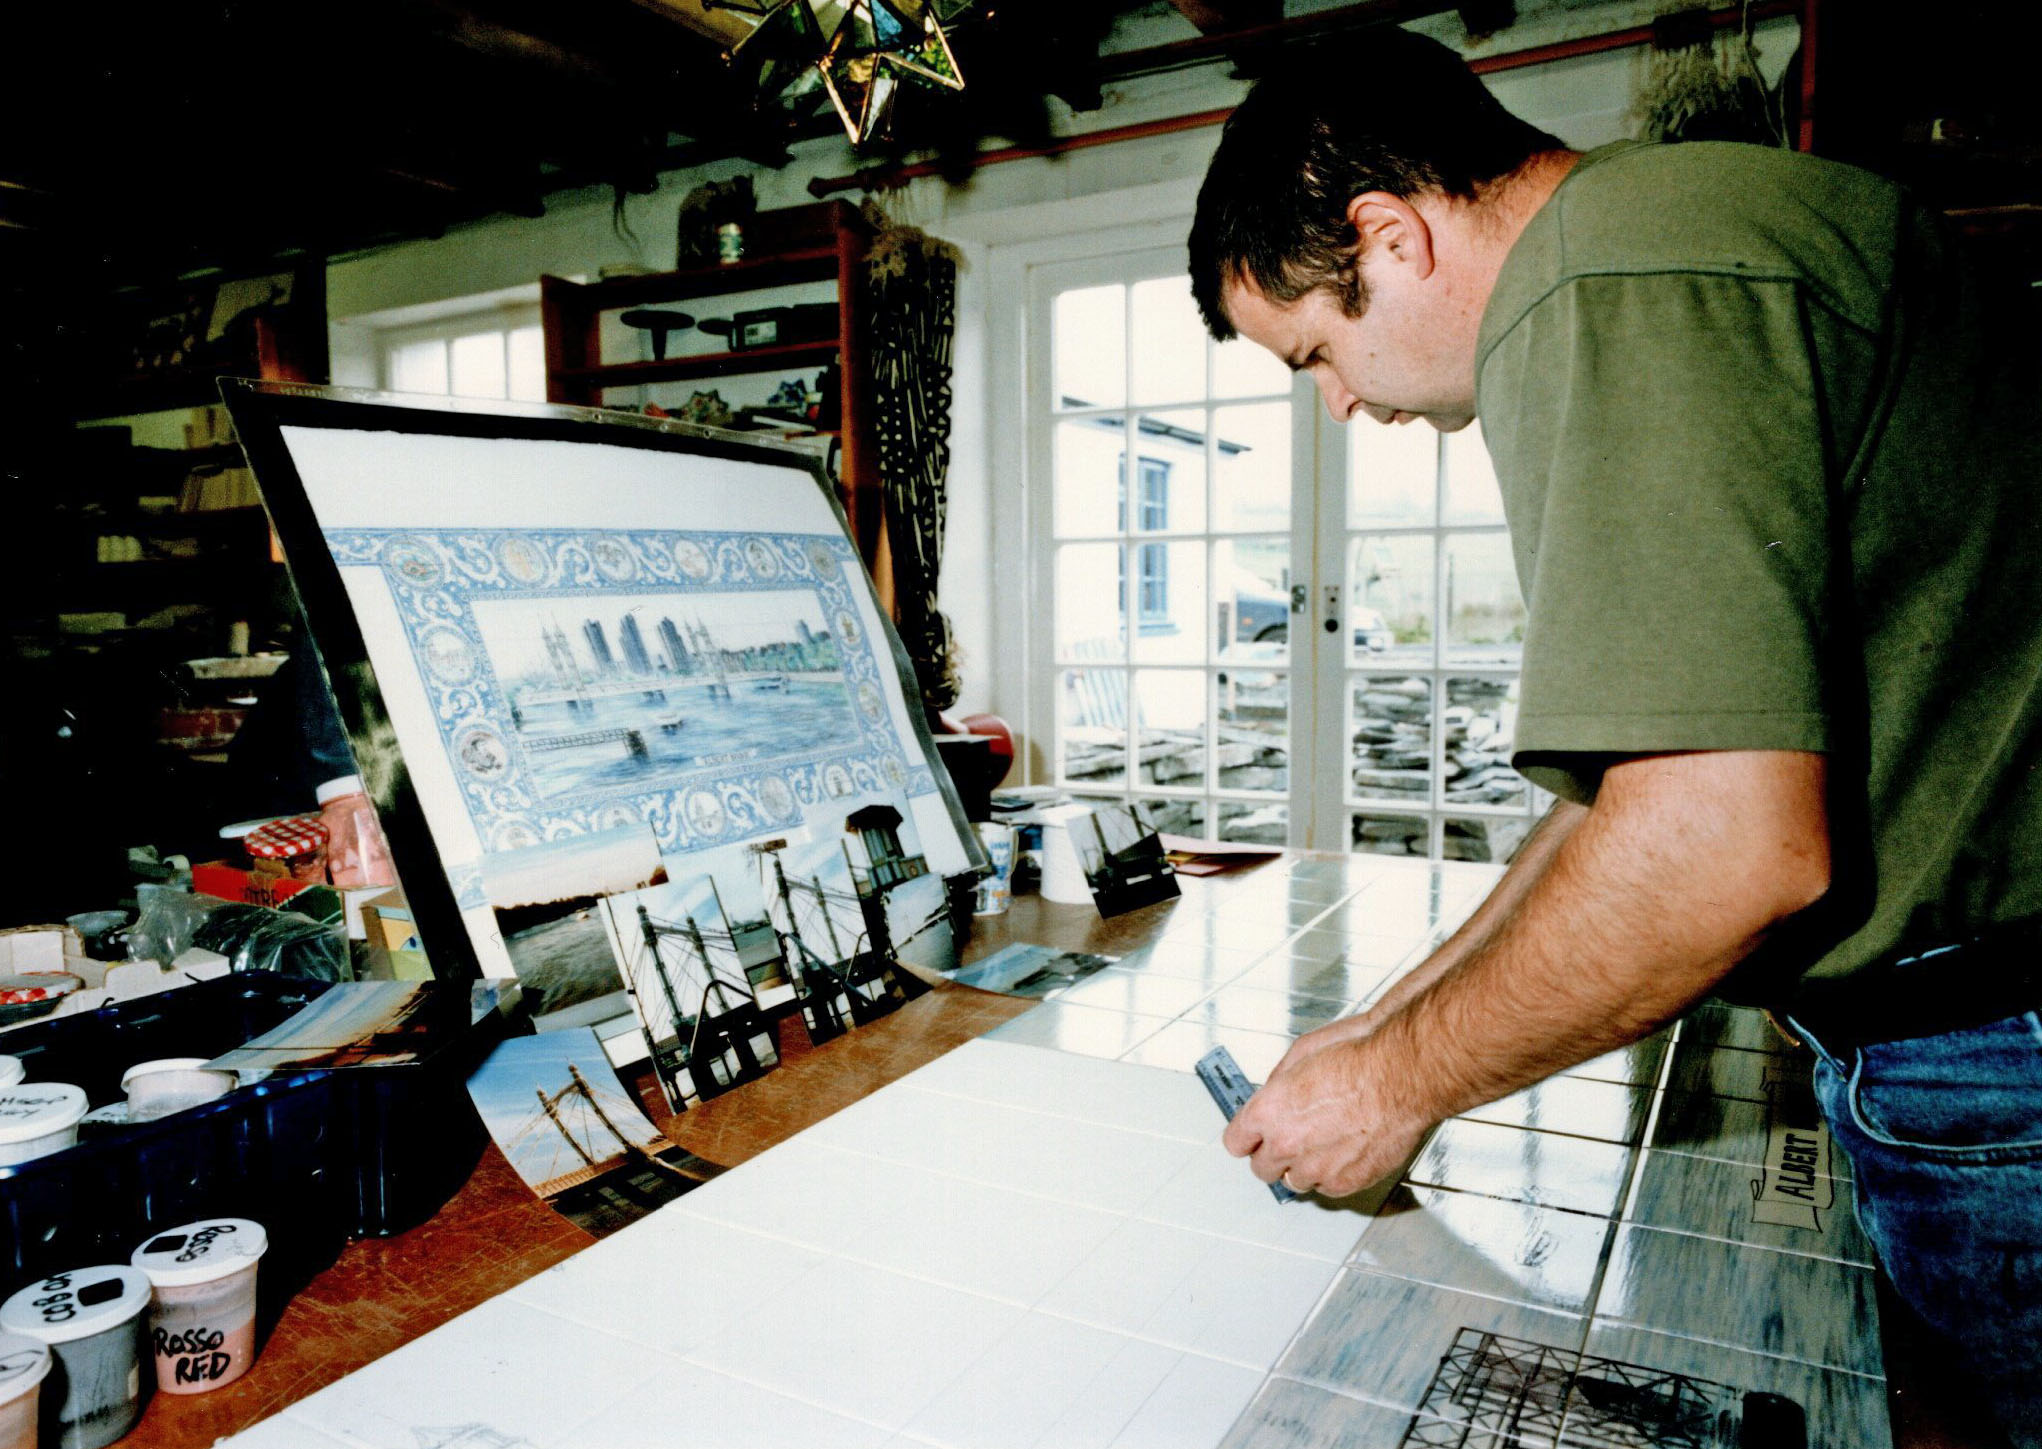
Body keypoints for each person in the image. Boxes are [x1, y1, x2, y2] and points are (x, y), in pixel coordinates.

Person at [1188, 27, 2041, 1445]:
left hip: (1994, 1043)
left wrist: (1398, 1088)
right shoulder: (1690, 221)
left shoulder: (1605, 278)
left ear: (1387, 236)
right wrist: (1381, 1021)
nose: (1342, 404)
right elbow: (1619, 798)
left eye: (1318, 352)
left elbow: (1718, 844)